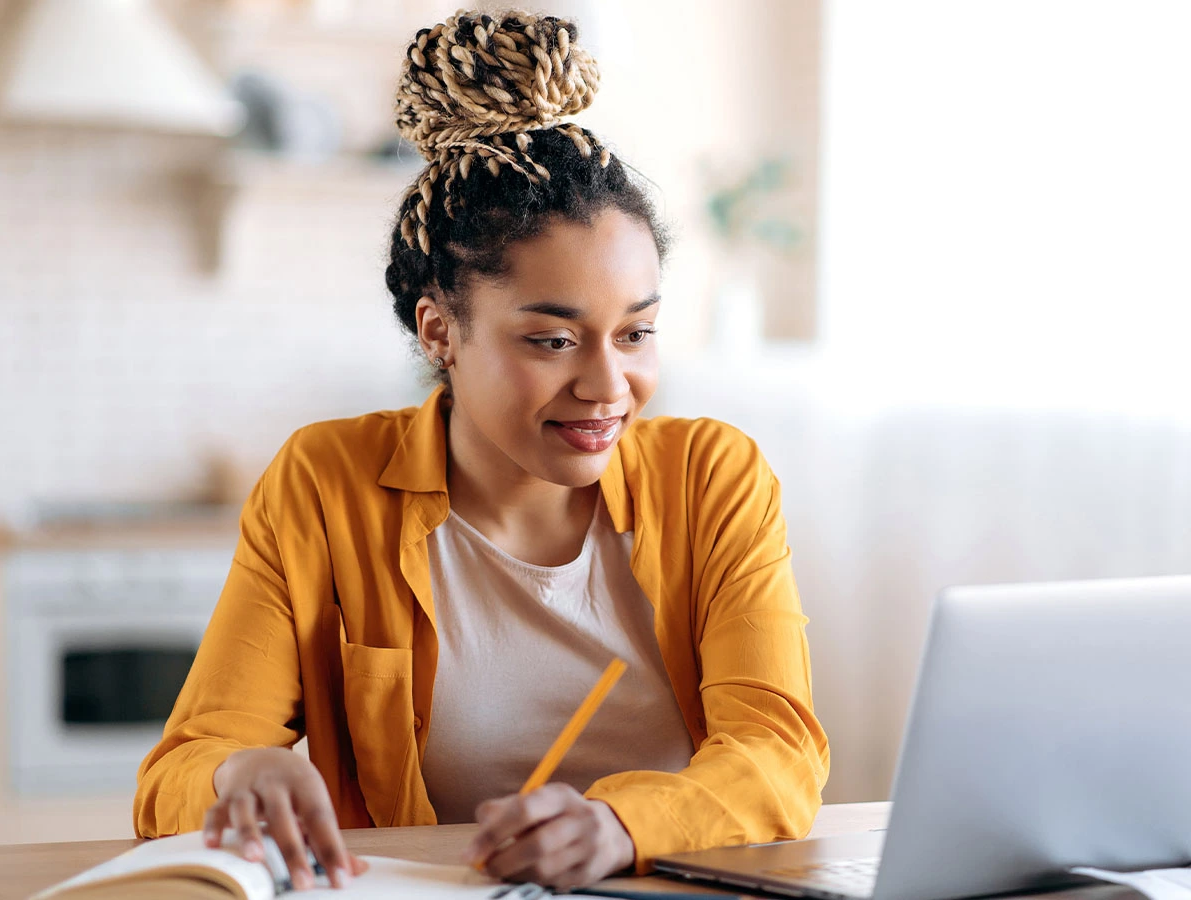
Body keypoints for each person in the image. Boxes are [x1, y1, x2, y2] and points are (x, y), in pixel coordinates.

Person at [134, 8, 829, 892]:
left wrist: (620, 826)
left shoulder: (713, 477)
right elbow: (177, 773)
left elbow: (780, 751)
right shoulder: (326, 483)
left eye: (637, 333)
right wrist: (237, 773)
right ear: (440, 331)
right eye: (552, 341)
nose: (608, 385)